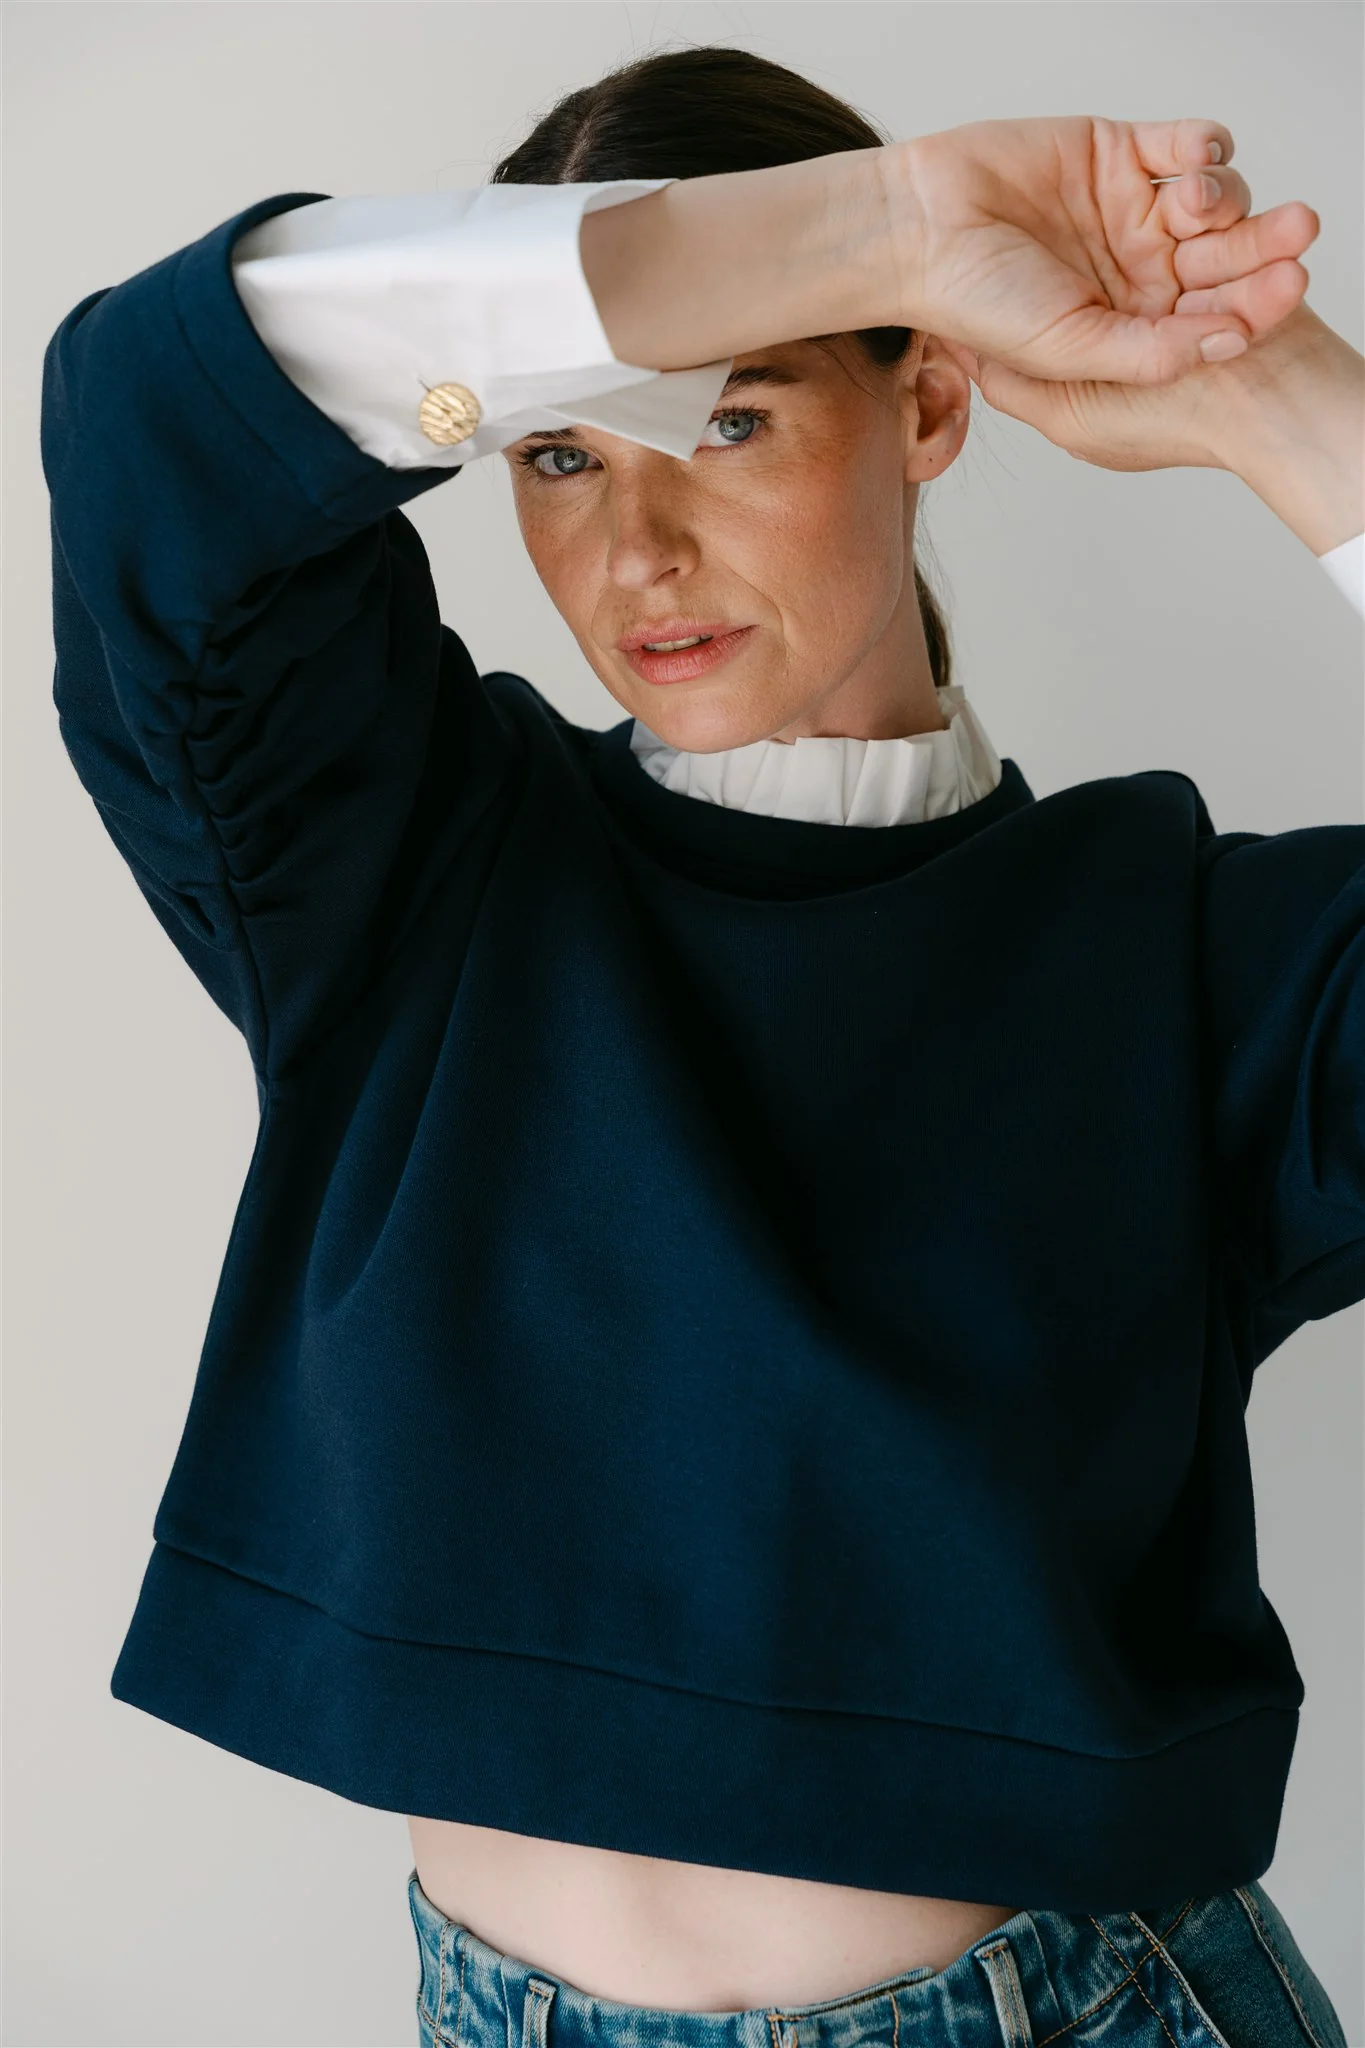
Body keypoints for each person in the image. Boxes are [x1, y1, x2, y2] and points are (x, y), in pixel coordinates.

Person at [41, 43, 1362, 2048]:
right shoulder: (399, 863)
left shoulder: (1189, 961)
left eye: (730, 418)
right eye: (560, 454)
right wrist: (890, 223)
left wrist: (1274, 395)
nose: (636, 548)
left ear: (927, 401)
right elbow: (150, 410)